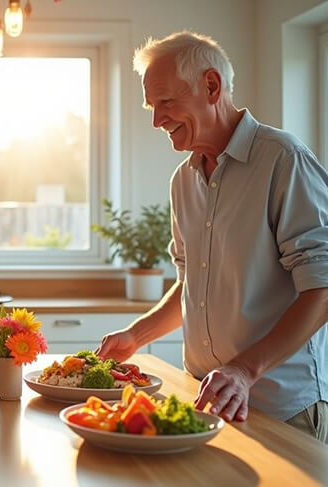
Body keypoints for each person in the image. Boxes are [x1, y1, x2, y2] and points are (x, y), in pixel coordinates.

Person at [96, 31, 328, 442]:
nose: (156, 120)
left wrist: (243, 370)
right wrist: (138, 334)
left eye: (166, 102)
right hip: (207, 402)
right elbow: (192, 286)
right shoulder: (182, 181)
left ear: (211, 86)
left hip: (282, 408)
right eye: (152, 106)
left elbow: (321, 288)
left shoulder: (283, 160)